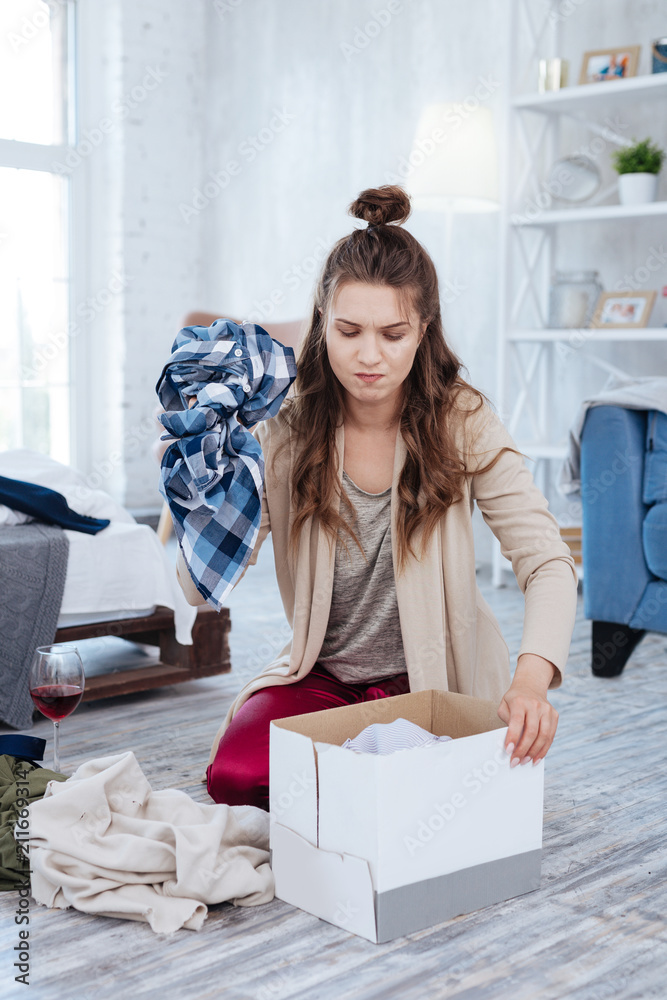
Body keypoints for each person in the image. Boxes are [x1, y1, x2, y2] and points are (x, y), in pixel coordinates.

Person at [175, 185, 578, 811]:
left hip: (434, 682)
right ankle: (367, 773)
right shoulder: (283, 430)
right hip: (323, 680)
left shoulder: (463, 420)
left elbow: (547, 561)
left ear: (423, 330)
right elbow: (198, 589)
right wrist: (209, 475)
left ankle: (362, 777)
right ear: (322, 327)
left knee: (460, 792)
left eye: (393, 334)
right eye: (348, 331)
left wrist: (531, 682)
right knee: (236, 777)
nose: (369, 356)